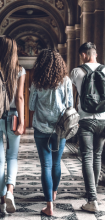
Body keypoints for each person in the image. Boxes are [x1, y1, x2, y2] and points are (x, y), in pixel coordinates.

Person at [0, 36, 26, 214]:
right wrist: (23, 122)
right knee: (12, 157)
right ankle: (10, 191)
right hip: (13, 115)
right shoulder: (20, 70)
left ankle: (2, 200)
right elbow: (20, 98)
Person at [29, 49, 73, 216]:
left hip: (41, 128)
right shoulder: (66, 81)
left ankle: (49, 206)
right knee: (56, 163)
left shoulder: (36, 82)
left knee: (45, 165)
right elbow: (69, 105)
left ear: (40, 64)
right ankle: (53, 192)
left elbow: (31, 106)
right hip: (60, 128)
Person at [70, 42, 105, 213]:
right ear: (95, 54)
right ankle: (92, 193)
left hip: (85, 120)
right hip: (103, 119)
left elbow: (72, 94)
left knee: (87, 157)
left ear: (83, 55)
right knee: (97, 157)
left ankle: (92, 198)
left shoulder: (76, 72)